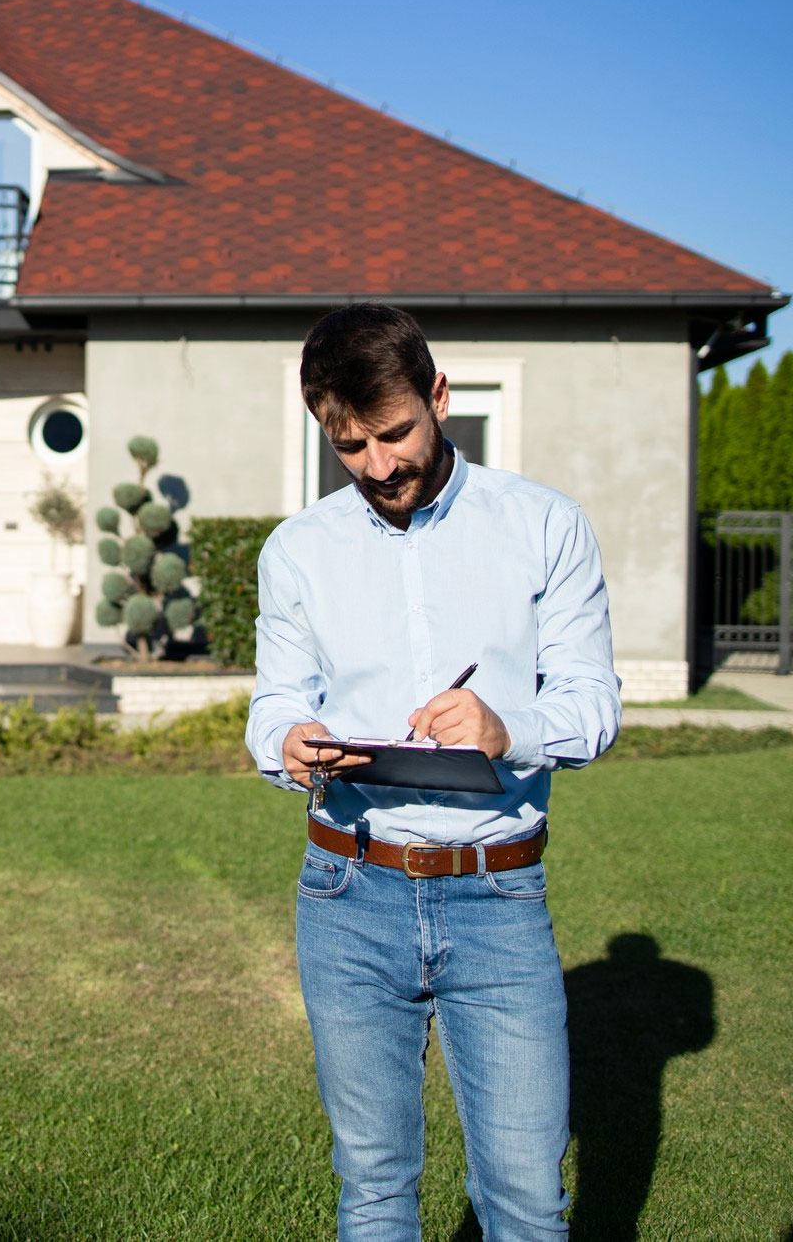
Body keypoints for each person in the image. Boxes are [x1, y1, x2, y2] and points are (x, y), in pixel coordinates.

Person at [245, 303, 621, 1239]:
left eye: (396, 432)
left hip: (499, 899)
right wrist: (287, 741)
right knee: (372, 1186)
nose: (380, 465)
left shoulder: (544, 526)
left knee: (528, 1200)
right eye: (351, 445)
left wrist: (509, 727)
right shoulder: (296, 552)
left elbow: (597, 706)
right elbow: (272, 703)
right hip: (346, 891)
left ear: (440, 396)